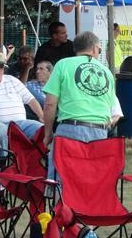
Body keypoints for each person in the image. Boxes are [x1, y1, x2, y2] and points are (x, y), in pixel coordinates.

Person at [42, 32, 116, 182]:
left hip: (70, 128)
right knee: (89, 180)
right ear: (95, 49)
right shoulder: (107, 72)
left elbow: (50, 103)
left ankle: (59, 202)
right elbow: (110, 108)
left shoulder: (63, 65)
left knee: (62, 178)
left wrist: (48, 133)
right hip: (99, 131)